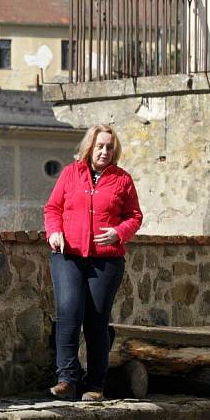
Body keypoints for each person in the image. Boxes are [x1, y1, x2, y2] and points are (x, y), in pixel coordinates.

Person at [43, 124, 142, 402]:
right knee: (68, 314)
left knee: (96, 321)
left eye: (109, 147)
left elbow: (134, 216)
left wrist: (119, 232)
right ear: (90, 147)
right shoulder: (71, 173)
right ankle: (66, 380)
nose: (104, 151)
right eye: (100, 146)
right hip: (68, 256)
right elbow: (53, 208)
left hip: (105, 261)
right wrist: (54, 231)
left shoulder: (122, 180)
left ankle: (95, 385)